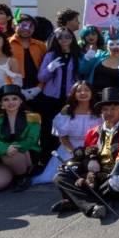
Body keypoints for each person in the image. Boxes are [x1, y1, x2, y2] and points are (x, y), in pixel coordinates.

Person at [51, 87, 119, 219]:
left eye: (113, 108)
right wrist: (69, 165)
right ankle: (92, 206)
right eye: (105, 109)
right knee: (59, 177)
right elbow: (87, 157)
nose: (109, 112)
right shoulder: (93, 132)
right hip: (96, 176)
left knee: (116, 184)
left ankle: (76, 201)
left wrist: (116, 173)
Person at [32, 81, 100, 185]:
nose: (83, 93)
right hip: (69, 146)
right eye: (79, 91)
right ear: (73, 94)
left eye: (86, 90)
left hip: (92, 147)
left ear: (92, 93)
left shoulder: (98, 111)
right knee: (63, 173)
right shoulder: (67, 110)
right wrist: (72, 151)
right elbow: (62, 136)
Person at [36, 26, 83, 157]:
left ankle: (66, 156)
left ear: (72, 38)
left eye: (68, 36)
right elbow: (41, 77)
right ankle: (46, 157)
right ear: (55, 39)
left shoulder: (78, 55)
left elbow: (83, 75)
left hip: (69, 99)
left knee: (66, 128)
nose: (64, 39)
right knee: (47, 128)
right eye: (60, 37)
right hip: (50, 98)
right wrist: (50, 68)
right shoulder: (50, 55)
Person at [0, 84, 40, 192]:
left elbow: (32, 139)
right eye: (6, 99)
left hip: (26, 153)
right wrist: (5, 149)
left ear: (20, 101)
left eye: (14, 98)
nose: (11, 102)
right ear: (1, 103)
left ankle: (23, 177)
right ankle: (15, 174)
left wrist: (13, 147)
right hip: (3, 155)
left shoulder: (32, 117)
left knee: (11, 155)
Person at [81, 29, 119, 95]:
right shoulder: (98, 56)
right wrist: (87, 59)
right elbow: (82, 71)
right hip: (93, 96)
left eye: (118, 44)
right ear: (107, 46)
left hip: (114, 99)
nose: (115, 47)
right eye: (111, 44)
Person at [7, 14, 46, 104]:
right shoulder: (5, 44)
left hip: (38, 90)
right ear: (14, 25)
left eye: (31, 26)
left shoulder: (41, 45)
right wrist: (13, 88)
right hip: (13, 91)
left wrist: (39, 87)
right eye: (23, 25)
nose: (27, 29)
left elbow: (45, 68)